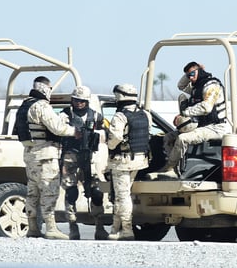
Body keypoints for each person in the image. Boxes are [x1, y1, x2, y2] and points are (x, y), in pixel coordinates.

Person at [13, 76, 78, 240]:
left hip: (30, 154)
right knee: (49, 191)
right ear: (45, 88)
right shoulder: (42, 106)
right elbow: (57, 128)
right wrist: (73, 131)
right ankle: (51, 228)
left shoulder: (24, 105)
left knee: (32, 192)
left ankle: (33, 227)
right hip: (45, 156)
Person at [158, 61, 227, 177]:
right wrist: (189, 74)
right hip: (201, 126)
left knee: (182, 138)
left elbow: (206, 107)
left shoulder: (211, 86)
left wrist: (185, 113)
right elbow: (181, 86)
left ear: (199, 71)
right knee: (168, 138)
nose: (190, 78)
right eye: (188, 76)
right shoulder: (196, 87)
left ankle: (170, 168)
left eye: (192, 74)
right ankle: (174, 167)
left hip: (215, 128)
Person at [59, 86, 108, 240]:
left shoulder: (96, 117)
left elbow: (108, 133)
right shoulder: (65, 115)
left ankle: (100, 226)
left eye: (82, 101)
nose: (79, 103)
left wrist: (97, 135)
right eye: (76, 100)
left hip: (91, 158)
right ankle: (73, 226)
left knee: (98, 191)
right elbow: (58, 131)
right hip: (71, 156)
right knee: (71, 192)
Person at [107, 84, 151, 240]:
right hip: (139, 160)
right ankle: (114, 229)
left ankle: (126, 230)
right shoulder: (145, 114)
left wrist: (109, 146)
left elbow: (115, 139)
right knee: (121, 194)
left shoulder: (120, 116)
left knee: (122, 195)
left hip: (122, 162)